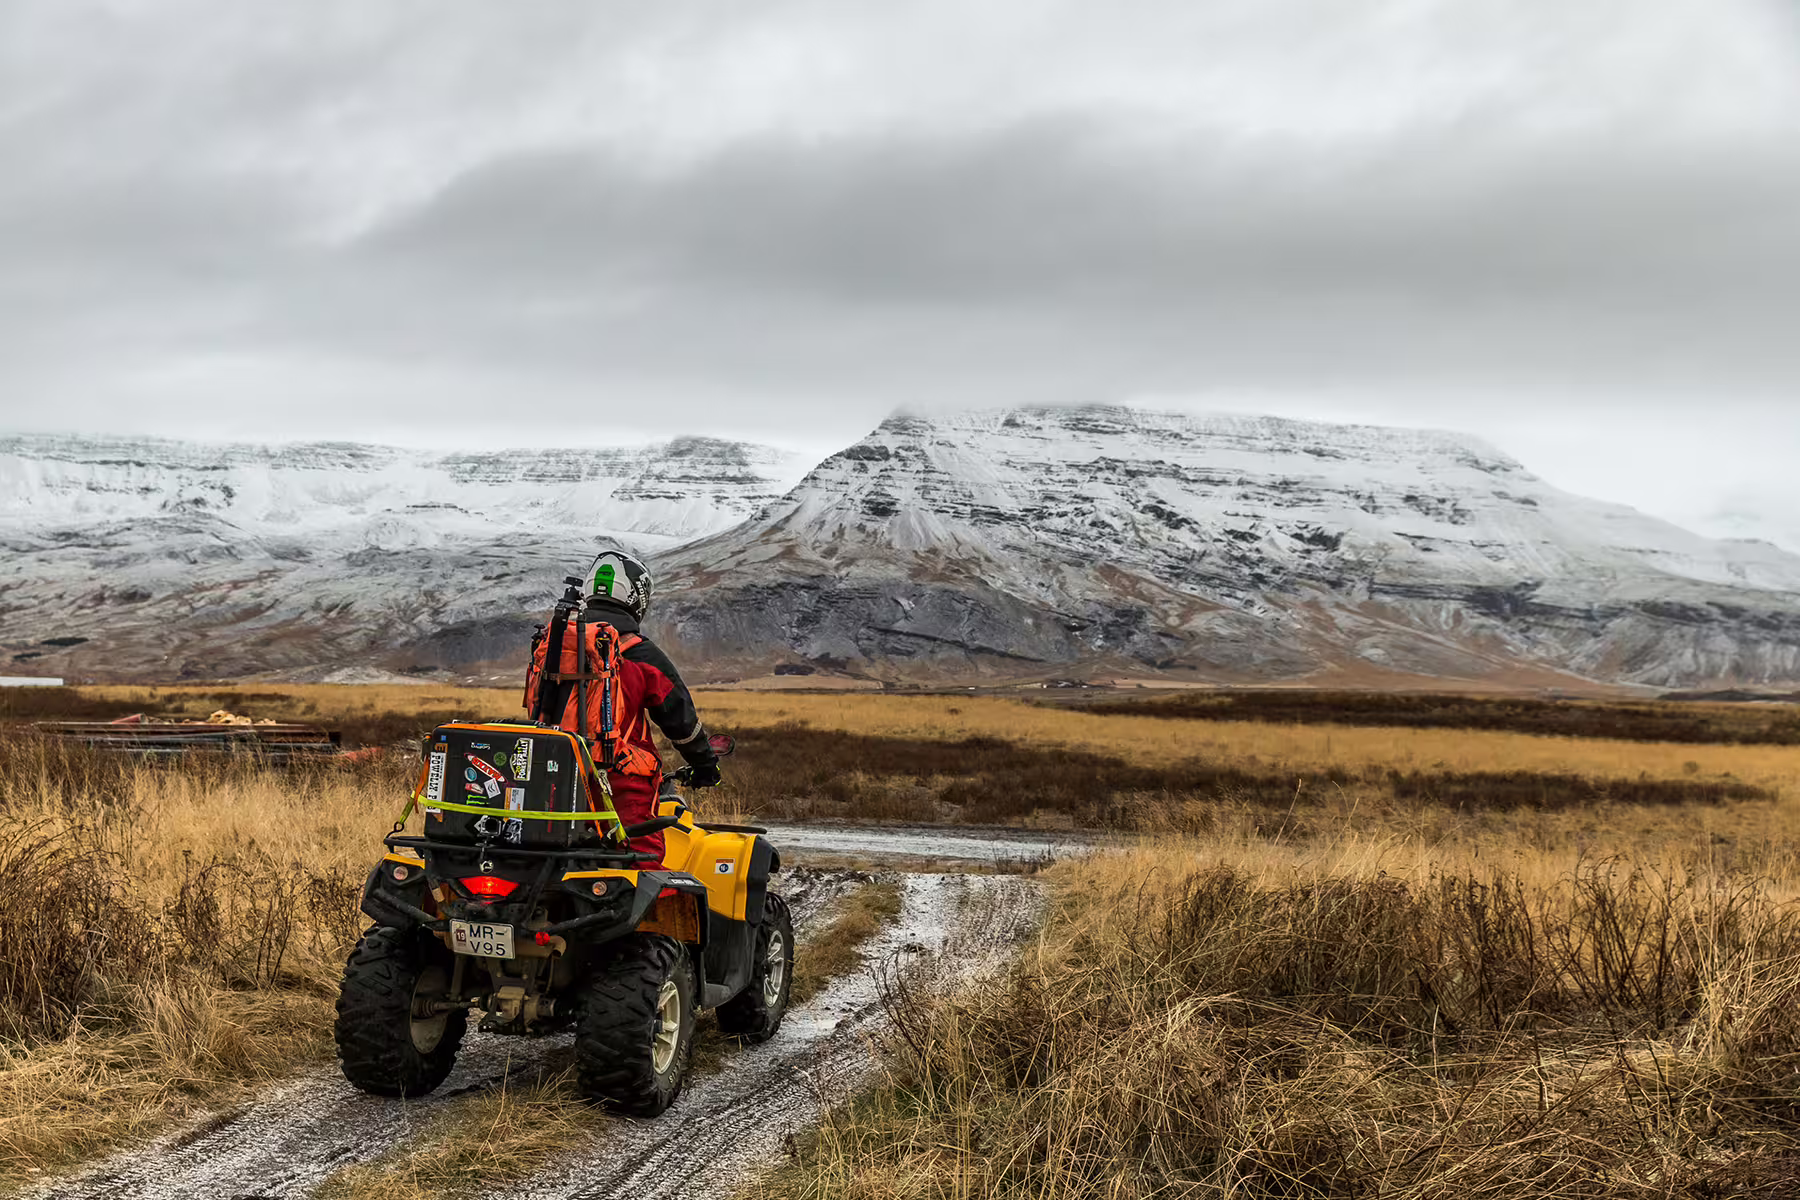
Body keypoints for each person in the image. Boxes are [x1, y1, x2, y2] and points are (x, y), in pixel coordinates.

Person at [533, 549, 721, 857]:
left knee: (549, 856)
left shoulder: (552, 644)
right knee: (641, 863)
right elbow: (680, 721)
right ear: (637, 598)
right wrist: (705, 765)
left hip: (549, 772)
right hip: (619, 778)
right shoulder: (641, 654)